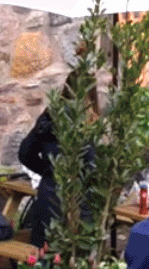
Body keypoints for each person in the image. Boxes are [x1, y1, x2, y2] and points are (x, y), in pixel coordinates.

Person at [17, 69, 99, 248]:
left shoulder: (50, 116)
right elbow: (92, 168)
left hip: (49, 194)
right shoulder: (88, 124)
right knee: (74, 262)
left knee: (44, 259)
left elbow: (25, 152)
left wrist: (48, 171)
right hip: (78, 202)